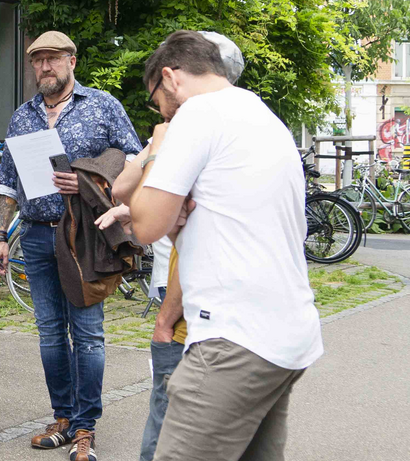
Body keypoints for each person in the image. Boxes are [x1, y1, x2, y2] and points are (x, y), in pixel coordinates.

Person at [127, 31, 323, 461]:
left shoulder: (199, 114)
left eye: (157, 101)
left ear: (170, 78)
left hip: (234, 338)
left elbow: (143, 224)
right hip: (288, 334)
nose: (161, 114)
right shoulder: (262, 116)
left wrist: (157, 151)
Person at [0, 31, 142, 461]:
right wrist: (1, 235)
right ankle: (63, 417)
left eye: (53, 59)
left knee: (88, 334)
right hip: (36, 234)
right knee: (51, 334)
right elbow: (8, 181)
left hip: (84, 233)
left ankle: (85, 428)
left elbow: (135, 158)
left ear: (72, 61)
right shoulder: (23, 116)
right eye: (37, 61)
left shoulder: (102, 105)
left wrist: (92, 180)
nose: (44, 68)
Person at [104, 31, 243, 461]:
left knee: (169, 429)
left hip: (189, 306)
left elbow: (153, 224)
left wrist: (166, 318)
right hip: (175, 292)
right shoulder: (175, 133)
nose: (159, 111)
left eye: (158, 99)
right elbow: (121, 189)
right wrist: (156, 148)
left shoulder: (211, 132)